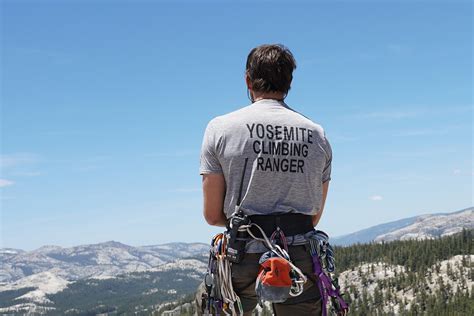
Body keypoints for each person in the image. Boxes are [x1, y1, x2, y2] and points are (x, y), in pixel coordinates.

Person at [199, 44, 332, 315]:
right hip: (301, 253)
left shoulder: (221, 128)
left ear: (248, 80)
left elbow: (213, 215)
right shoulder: (317, 134)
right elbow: (314, 216)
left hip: (241, 252)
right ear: (289, 82)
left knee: (210, 302)